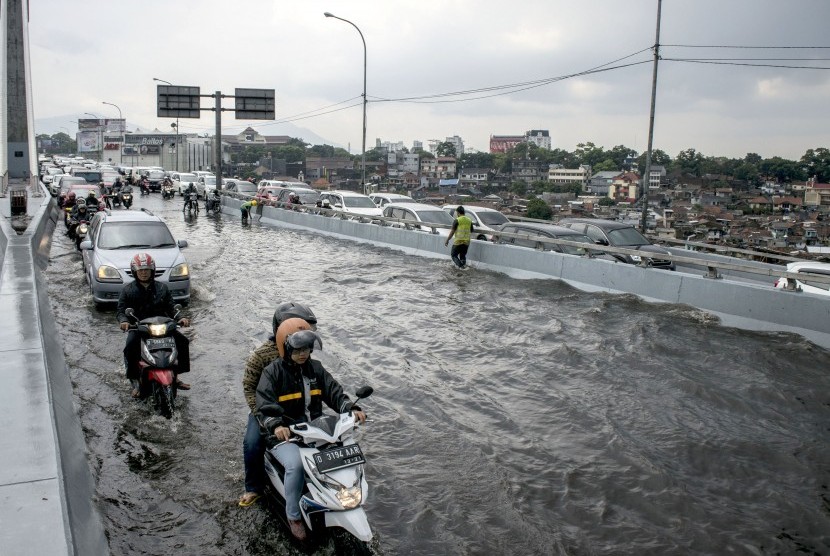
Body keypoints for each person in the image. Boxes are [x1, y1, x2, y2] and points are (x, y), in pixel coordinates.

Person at [256, 318, 365, 541]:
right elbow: (265, 406)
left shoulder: (315, 368)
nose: (303, 353)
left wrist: (351, 409)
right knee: (295, 465)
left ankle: (338, 496)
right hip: (285, 436)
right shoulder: (272, 373)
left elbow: (334, 391)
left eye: (306, 348)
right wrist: (276, 426)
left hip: (316, 428)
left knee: (346, 450)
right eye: (297, 349)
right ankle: (293, 515)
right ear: (285, 348)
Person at [239, 302, 318, 508]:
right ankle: (253, 487)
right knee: (253, 443)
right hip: (265, 409)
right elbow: (249, 386)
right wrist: (261, 415)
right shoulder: (261, 355)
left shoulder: (303, 351)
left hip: (296, 407)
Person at [117, 253, 192, 397]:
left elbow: (171, 308)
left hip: (162, 326)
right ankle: (135, 381)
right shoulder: (127, 290)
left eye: (147, 270)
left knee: (182, 341)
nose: (144, 273)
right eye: (141, 270)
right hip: (139, 327)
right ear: (135, 271)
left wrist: (181, 317)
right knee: (130, 347)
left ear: (152, 271)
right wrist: (124, 321)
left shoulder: (162, 288)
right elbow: (121, 310)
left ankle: (176, 377)